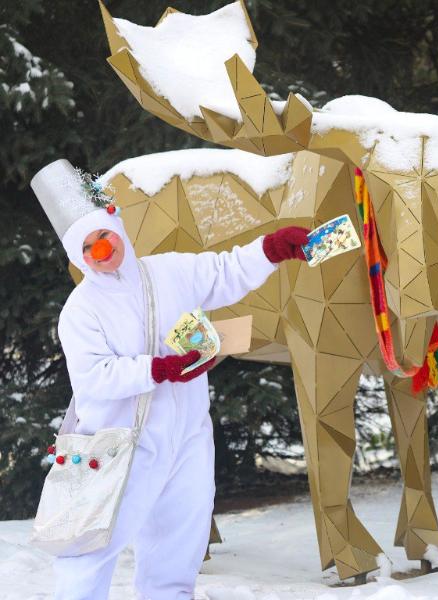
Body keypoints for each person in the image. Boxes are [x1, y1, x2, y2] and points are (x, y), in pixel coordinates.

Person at [30, 159, 310, 599]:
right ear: (77, 257)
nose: (101, 250)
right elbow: (93, 378)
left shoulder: (170, 271)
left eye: (103, 236)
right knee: (91, 546)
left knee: (180, 539)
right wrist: (157, 369)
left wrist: (271, 249)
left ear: (116, 227)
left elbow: (226, 271)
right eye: (87, 247)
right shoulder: (80, 310)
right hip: (118, 445)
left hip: (187, 437)